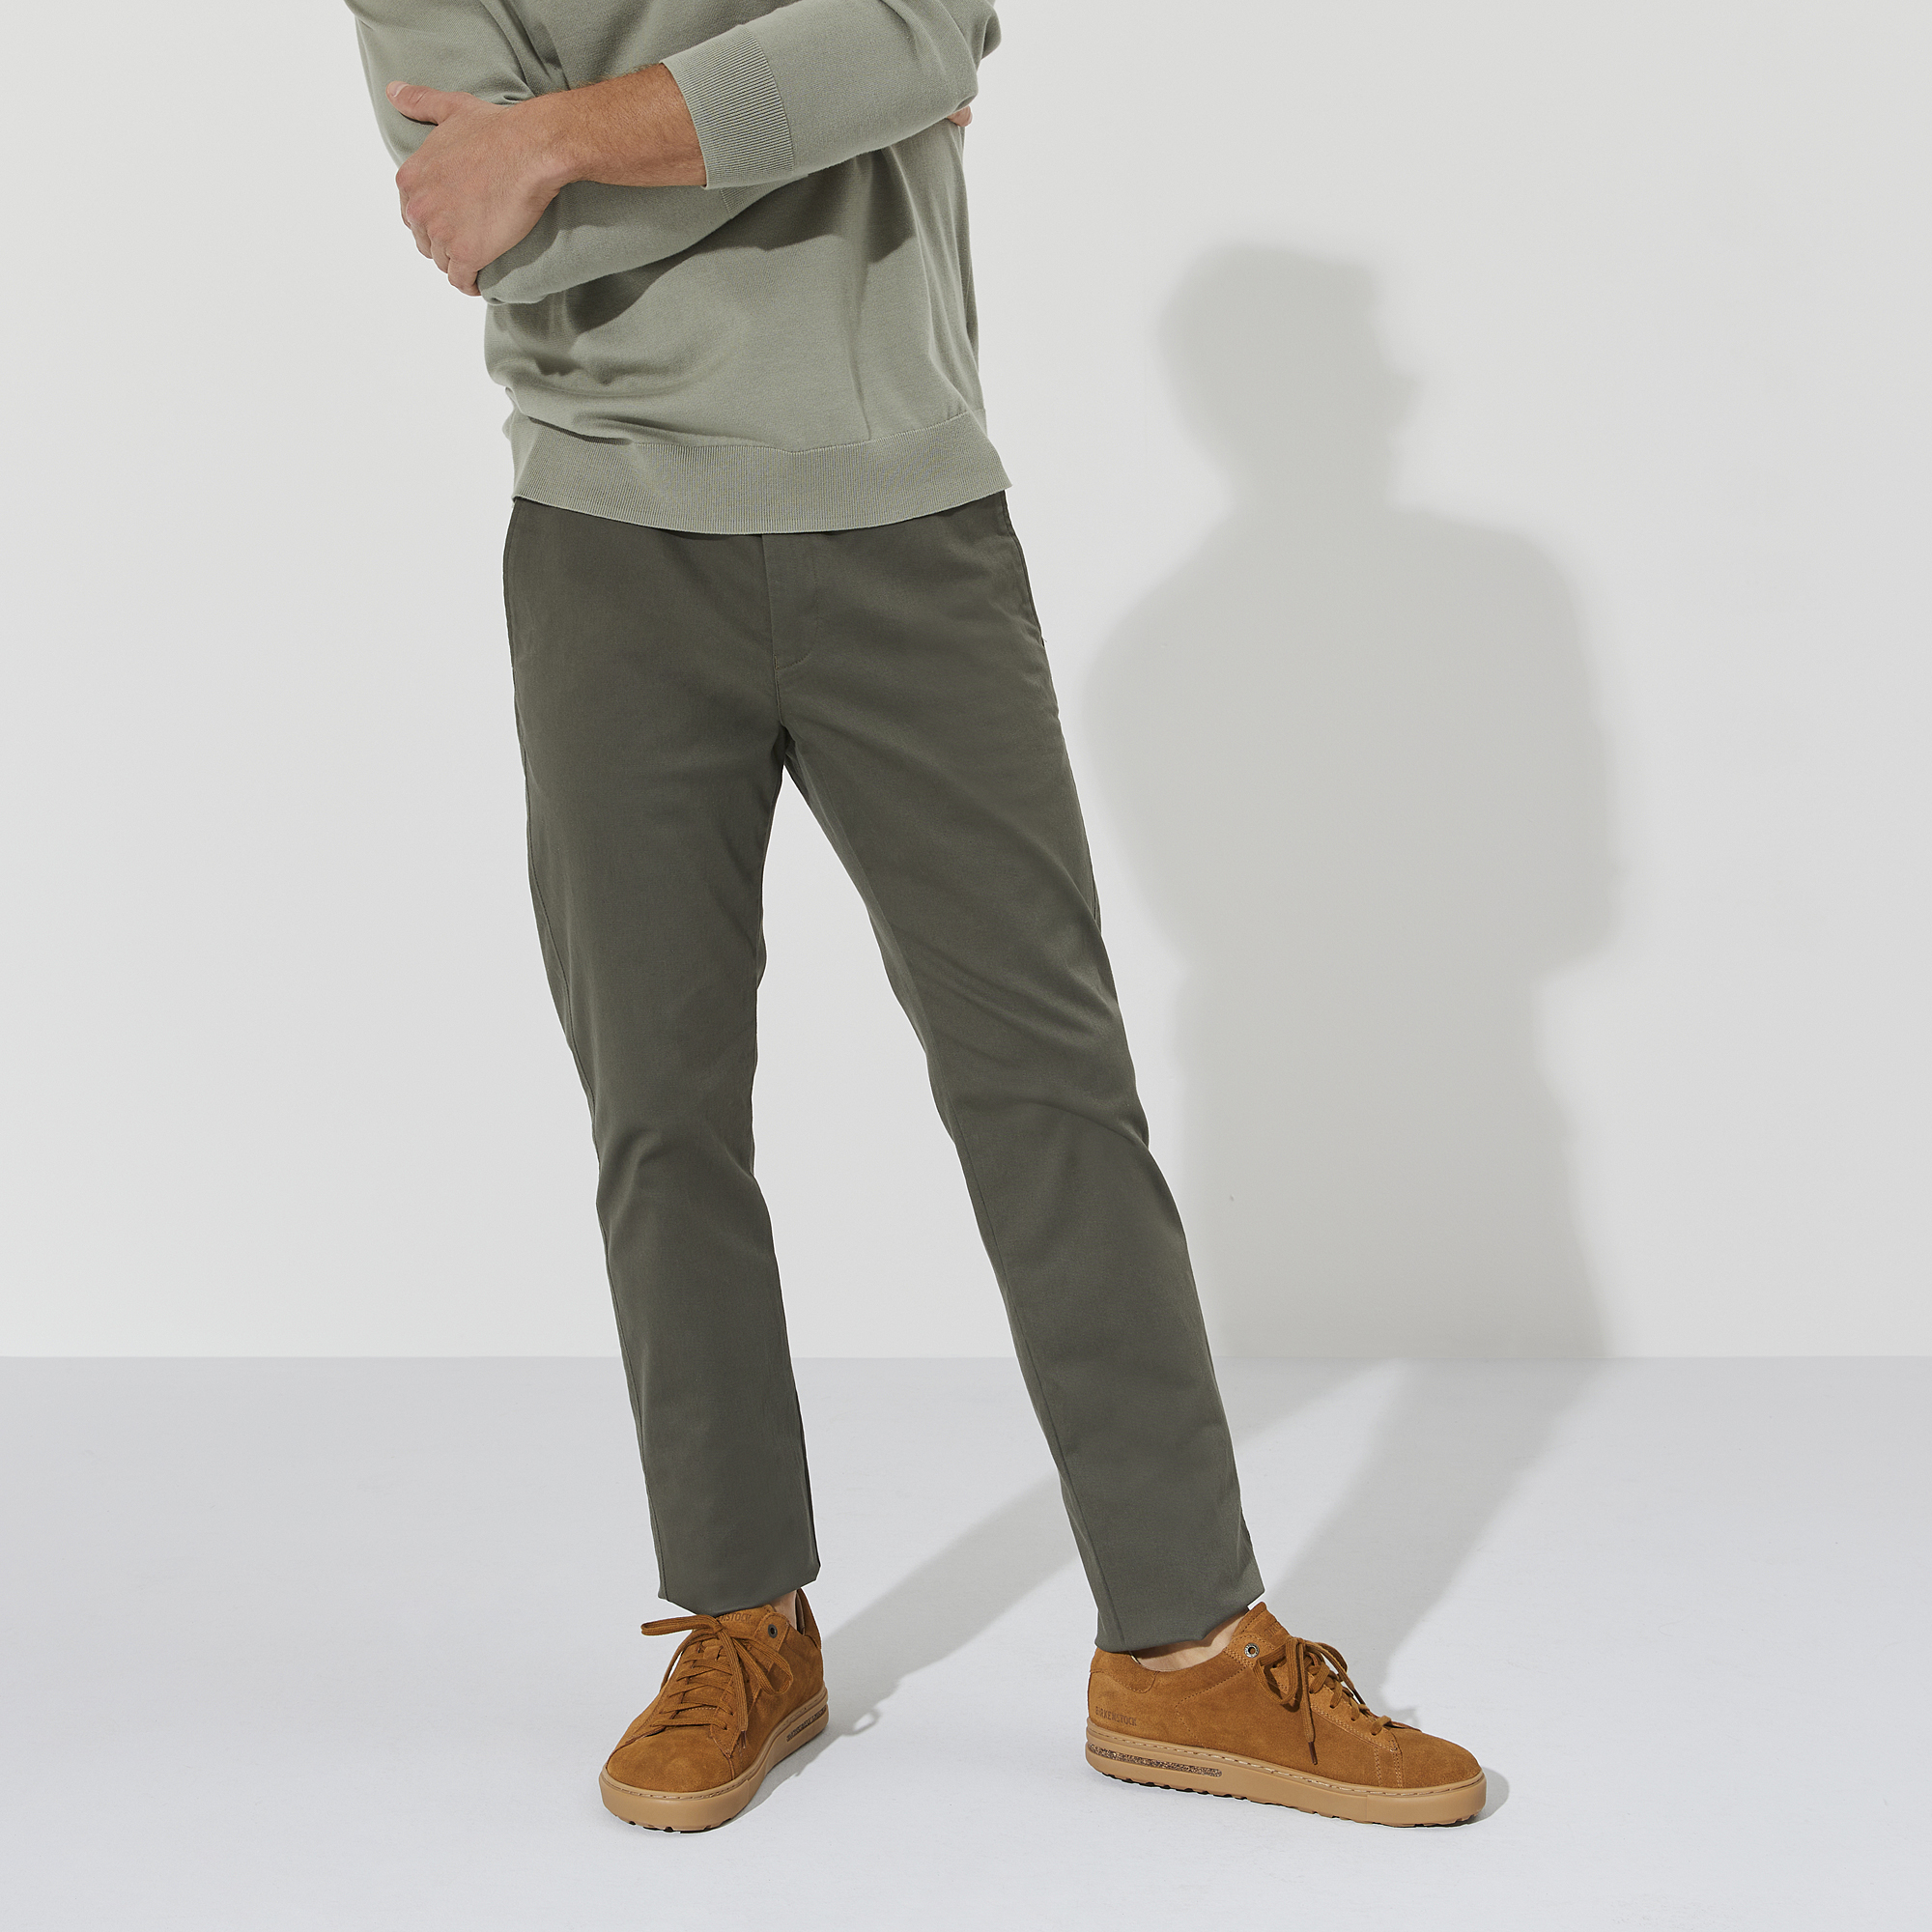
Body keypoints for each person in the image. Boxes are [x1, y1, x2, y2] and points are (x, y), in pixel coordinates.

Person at [345, 0, 1483, 1833]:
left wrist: (559, 134)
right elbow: (495, 232)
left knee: (1050, 1089)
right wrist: (806, 103)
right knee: (661, 1111)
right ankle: (740, 1623)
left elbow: (919, 38)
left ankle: (1185, 1647)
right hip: (605, 549)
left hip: (909, 528)